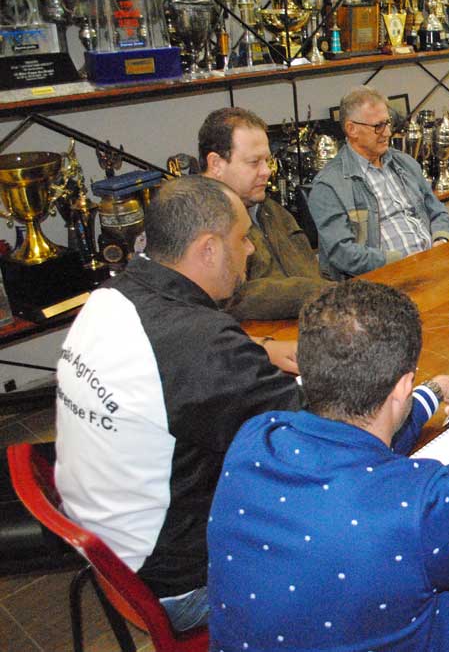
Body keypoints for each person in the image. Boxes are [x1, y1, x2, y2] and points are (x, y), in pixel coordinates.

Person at [207, 280, 449, 651]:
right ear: (402, 386)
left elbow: (361, 436)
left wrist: (436, 390)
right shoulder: (422, 504)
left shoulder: (257, 437)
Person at [54, 176, 302, 632]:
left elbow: (174, 362)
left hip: (110, 551)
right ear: (208, 248)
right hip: (177, 585)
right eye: (242, 238)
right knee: (372, 556)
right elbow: (312, 432)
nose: (250, 251)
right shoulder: (199, 343)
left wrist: (258, 349)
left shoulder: (112, 298)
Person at [308, 86, 449, 279]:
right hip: (380, 281)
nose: (387, 133)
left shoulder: (405, 163)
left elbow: (438, 211)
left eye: (388, 123)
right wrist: (400, 260)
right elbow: (343, 254)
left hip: (431, 265)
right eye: (378, 126)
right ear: (352, 129)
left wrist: (441, 241)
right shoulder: (329, 186)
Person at [199, 107, 328, 320]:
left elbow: (310, 269)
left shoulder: (270, 209)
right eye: (254, 162)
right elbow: (233, 298)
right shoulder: (200, 222)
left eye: (267, 160)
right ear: (216, 164)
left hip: (315, 322)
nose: (267, 171)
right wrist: (326, 293)